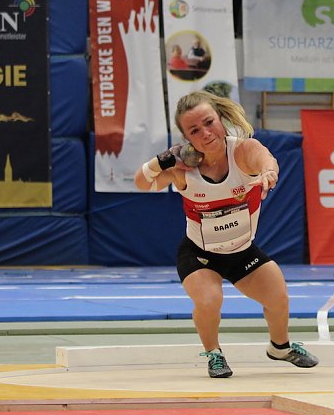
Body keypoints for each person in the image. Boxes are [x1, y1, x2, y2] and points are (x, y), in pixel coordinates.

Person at [133, 91, 319, 378]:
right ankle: (214, 354)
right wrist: (162, 160)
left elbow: (267, 161)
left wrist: (268, 174)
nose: (206, 134)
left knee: (279, 296)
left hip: (242, 251)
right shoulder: (184, 169)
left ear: (221, 119)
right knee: (209, 300)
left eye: (210, 123)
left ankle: (279, 347)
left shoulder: (244, 152)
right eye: (195, 130)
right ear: (186, 138)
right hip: (199, 255)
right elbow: (142, 183)